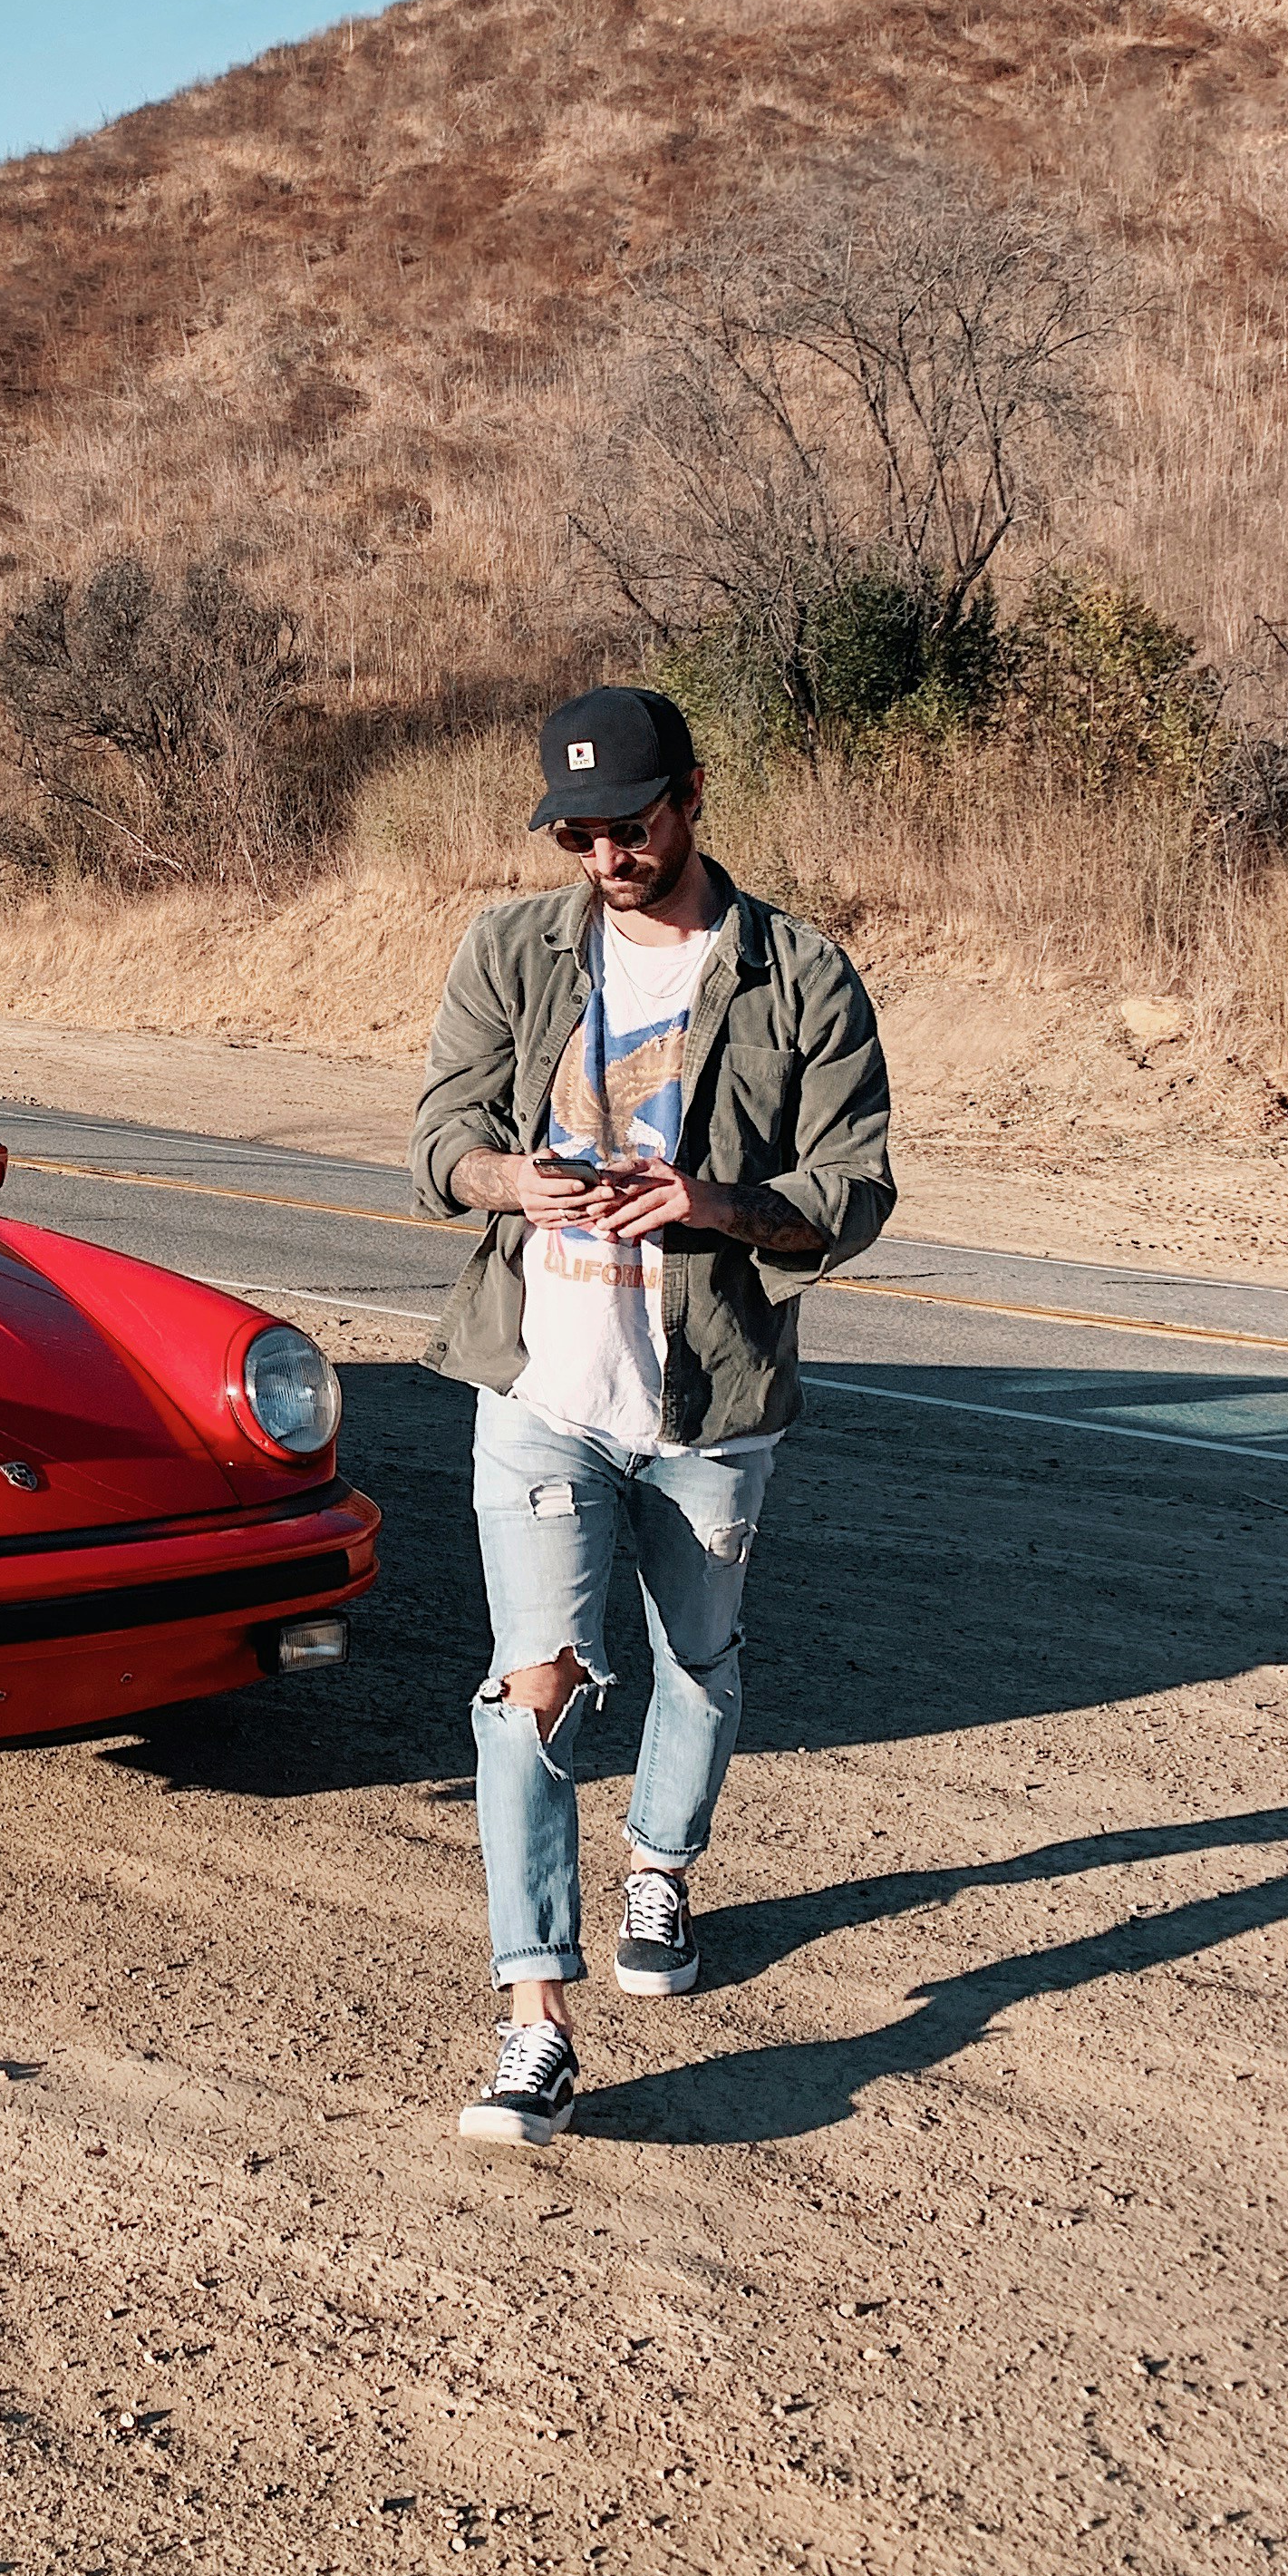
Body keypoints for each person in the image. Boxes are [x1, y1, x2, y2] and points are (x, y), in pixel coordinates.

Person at [409, 684, 894, 2147]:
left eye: (627, 824)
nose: (604, 856)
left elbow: (854, 1190)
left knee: (700, 1665)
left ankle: (663, 1869)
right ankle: (532, 2021)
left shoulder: (800, 975)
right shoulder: (512, 949)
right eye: (577, 833)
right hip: (542, 1392)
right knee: (532, 1692)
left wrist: (718, 1205)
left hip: (712, 1403)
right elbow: (438, 1140)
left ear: (691, 796)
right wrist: (510, 1180)